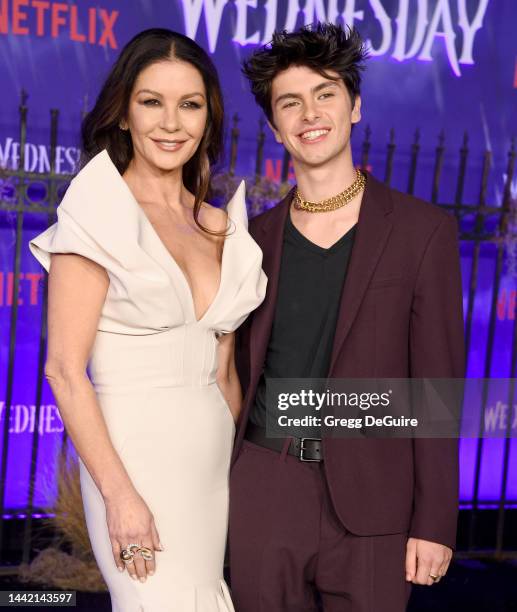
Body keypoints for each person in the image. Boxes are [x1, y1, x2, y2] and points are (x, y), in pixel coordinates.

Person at [229, 23, 465, 612]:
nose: (310, 113)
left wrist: (435, 520)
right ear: (274, 126)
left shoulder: (421, 232)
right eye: (291, 102)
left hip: (376, 500)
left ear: (354, 106)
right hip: (267, 485)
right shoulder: (251, 240)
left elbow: (436, 389)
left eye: (325, 93)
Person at [30, 28, 266, 612]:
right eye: (151, 101)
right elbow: (64, 369)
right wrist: (119, 496)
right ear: (124, 112)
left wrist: (242, 468)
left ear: (207, 118)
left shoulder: (218, 225)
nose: (171, 123)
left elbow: (225, 371)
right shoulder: (98, 213)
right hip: (134, 457)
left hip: (209, 460)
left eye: (189, 104)